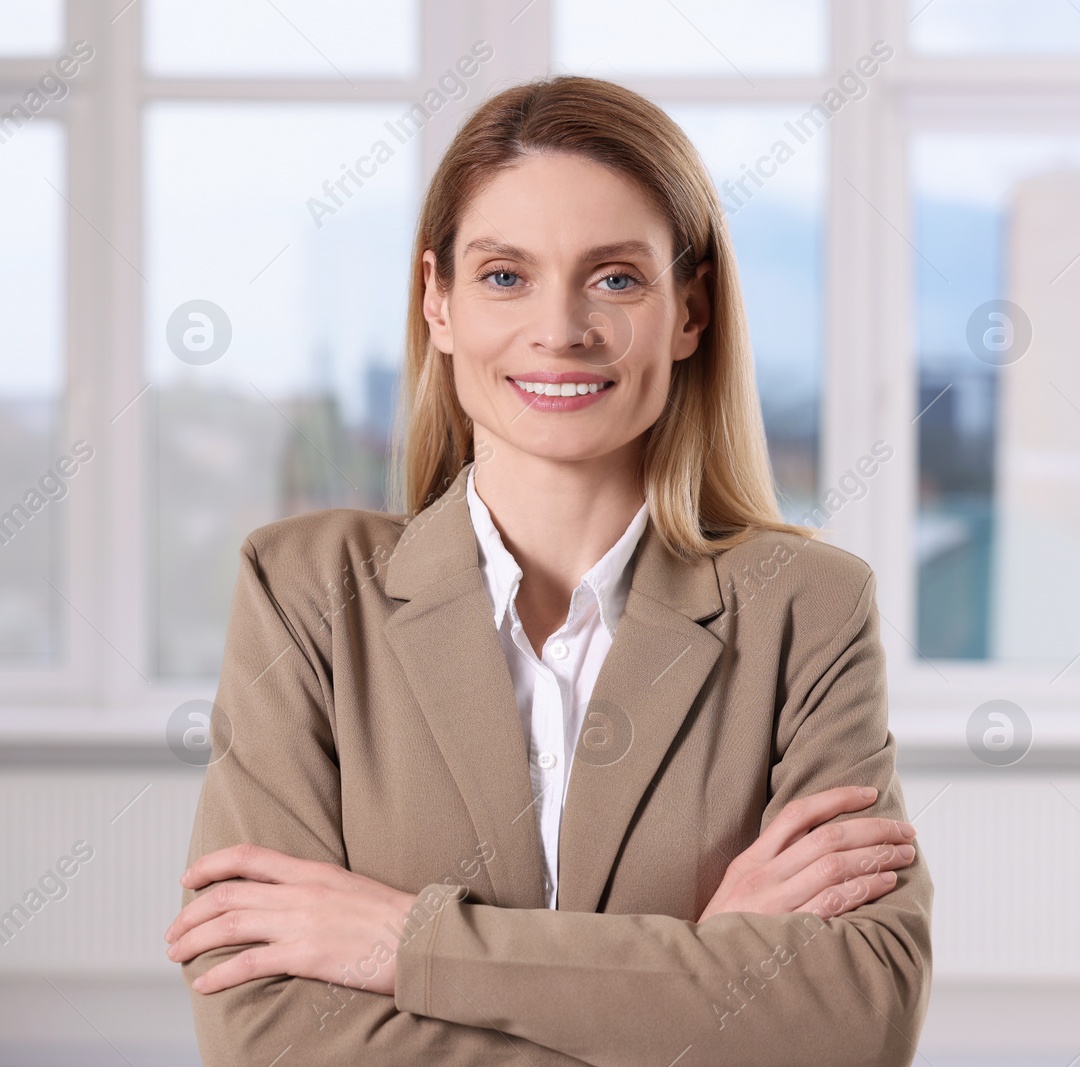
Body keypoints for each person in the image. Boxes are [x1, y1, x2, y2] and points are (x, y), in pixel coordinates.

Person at [162, 75, 932, 1066]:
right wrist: (703, 968)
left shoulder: (806, 606)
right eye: (504, 276)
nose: (560, 328)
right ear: (436, 300)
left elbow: (851, 1020)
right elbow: (265, 1031)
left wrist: (404, 943)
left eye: (615, 278)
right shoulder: (306, 590)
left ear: (689, 311)